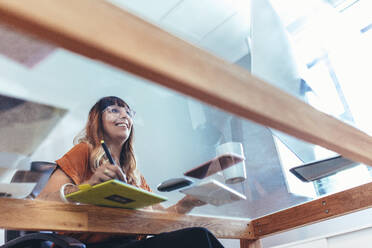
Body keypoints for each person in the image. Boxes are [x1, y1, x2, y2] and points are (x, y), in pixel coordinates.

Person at [37, 96, 224, 248]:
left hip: (129, 243)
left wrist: (185, 204)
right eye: (114, 110)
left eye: (128, 112)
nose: (125, 115)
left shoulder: (133, 173)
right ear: (98, 120)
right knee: (197, 238)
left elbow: (158, 222)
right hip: (86, 245)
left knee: (200, 237)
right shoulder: (84, 151)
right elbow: (42, 202)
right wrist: (88, 187)